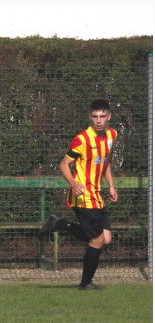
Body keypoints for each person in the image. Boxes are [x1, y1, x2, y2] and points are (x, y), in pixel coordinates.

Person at [40, 99, 118, 290]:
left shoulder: (112, 135)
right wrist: (74, 183)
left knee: (105, 238)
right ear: (90, 117)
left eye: (102, 117)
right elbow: (63, 164)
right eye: (95, 116)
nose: (98, 120)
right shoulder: (82, 139)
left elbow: (105, 161)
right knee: (98, 240)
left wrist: (111, 185)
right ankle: (85, 283)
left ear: (109, 117)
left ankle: (60, 224)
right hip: (82, 195)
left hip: (97, 194)